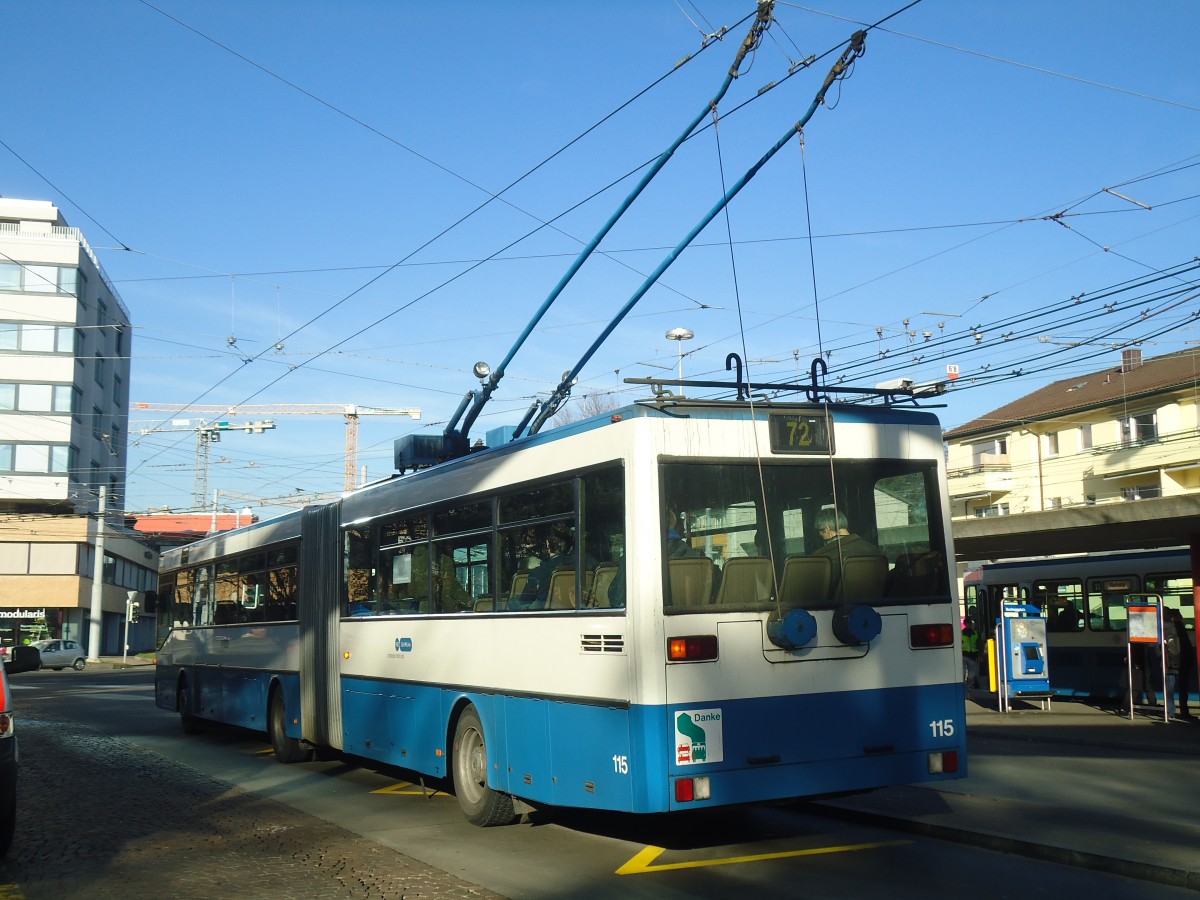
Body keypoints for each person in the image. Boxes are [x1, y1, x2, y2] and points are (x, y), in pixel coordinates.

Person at [811, 508, 882, 598]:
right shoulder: (873, 550)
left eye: (821, 533)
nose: (821, 536)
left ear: (827, 528)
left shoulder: (823, 558)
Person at [1165, 607, 1193, 720]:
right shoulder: (1178, 626)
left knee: (1170, 688)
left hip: (1170, 662)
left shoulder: (1166, 628)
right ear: (1175, 616)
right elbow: (1185, 646)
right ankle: (1184, 712)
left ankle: (1171, 712)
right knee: (1182, 687)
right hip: (1181, 662)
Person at [962, 617, 981, 689]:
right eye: (968, 623)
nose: (969, 625)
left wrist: (980, 654)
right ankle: (963, 685)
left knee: (972, 673)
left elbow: (979, 644)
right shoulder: (961, 633)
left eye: (970, 623)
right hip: (964, 655)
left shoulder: (975, 633)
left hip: (973, 655)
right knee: (963, 672)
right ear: (965, 624)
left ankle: (969, 685)